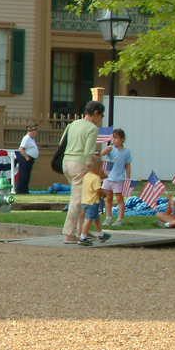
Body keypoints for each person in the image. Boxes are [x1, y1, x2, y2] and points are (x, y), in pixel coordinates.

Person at [58, 100, 104, 245]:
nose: (100, 119)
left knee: (85, 197)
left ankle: (82, 230)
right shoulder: (92, 128)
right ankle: (69, 233)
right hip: (80, 164)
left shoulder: (73, 124)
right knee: (77, 200)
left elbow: (62, 143)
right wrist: (97, 170)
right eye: (100, 116)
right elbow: (89, 153)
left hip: (66, 162)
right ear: (96, 113)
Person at [100, 129, 133, 225]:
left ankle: (120, 219)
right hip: (108, 178)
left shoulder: (126, 152)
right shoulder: (111, 149)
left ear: (122, 139)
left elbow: (127, 165)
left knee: (119, 199)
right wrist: (107, 149)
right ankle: (108, 217)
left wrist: (128, 177)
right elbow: (102, 153)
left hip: (119, 179)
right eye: (113, 138)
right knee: (108, 198)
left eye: (116, 138)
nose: (114, 140)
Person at [77, 162, 110, 246]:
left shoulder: (87, 176)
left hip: (85, 201)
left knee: (96, 217)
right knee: (88, 219)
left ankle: (101, 234)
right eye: (102, 168)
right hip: (92, 202)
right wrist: (105, 193)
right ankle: (83, 237)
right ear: (97, 167)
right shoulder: (96, 178)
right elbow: (98, 190)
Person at [16, 125, 38, 194]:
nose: (36, 134)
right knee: (23, 175)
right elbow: (21, 149)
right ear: (32, 132)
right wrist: (26, 157)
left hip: (30, 159)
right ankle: (20, 190)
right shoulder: (26, 138)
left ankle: (25, 190)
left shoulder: (31, 139)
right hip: (25, 159)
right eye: (35, 132)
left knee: (27, 175)